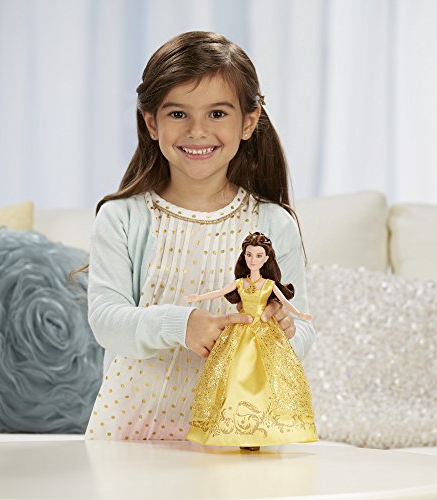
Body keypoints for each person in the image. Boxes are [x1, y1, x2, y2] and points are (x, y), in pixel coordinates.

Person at [84, 31, 316, 442]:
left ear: (248, 122)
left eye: (217, 114)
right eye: (178, 114)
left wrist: (282, 333)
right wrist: (181, 324)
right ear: (151, 122)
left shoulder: (273, 222)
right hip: (133, 435)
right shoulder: (121, 218)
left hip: (238, 436)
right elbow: (106, 321)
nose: (197, 130)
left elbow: (304, 333)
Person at [185, 232, 318, 449]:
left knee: (266, 374)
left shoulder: (268, 284)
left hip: (265, 332)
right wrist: (197, 298)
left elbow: (285, 302)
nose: (253, 260)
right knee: (235, 372)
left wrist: (300, 315)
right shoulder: (240, 282)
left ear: (266, 259)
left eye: (258, 256)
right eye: (249, 255)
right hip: (241, 330)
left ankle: (261, 428)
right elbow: (219, 292)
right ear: (244, 256)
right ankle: (237, 427)